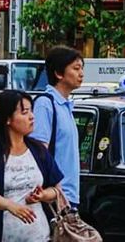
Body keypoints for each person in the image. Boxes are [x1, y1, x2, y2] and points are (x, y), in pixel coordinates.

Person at [0, 90, 64, 242]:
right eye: (25, 112)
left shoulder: (38, 149)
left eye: (31, 111)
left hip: (40, 236)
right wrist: (11, 206)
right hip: (0, 234)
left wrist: (43, 195)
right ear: (8, 119)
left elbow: (57, 189)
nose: (32, 117)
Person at [30, 46, 83, 208]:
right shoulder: (45, 104)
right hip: (52, 196)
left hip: (68, 196)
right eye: (76, 68)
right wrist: (53, 191)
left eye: (82, 68)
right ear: (59, 73)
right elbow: (40, 151)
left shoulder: (66, 105)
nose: (81, 73)